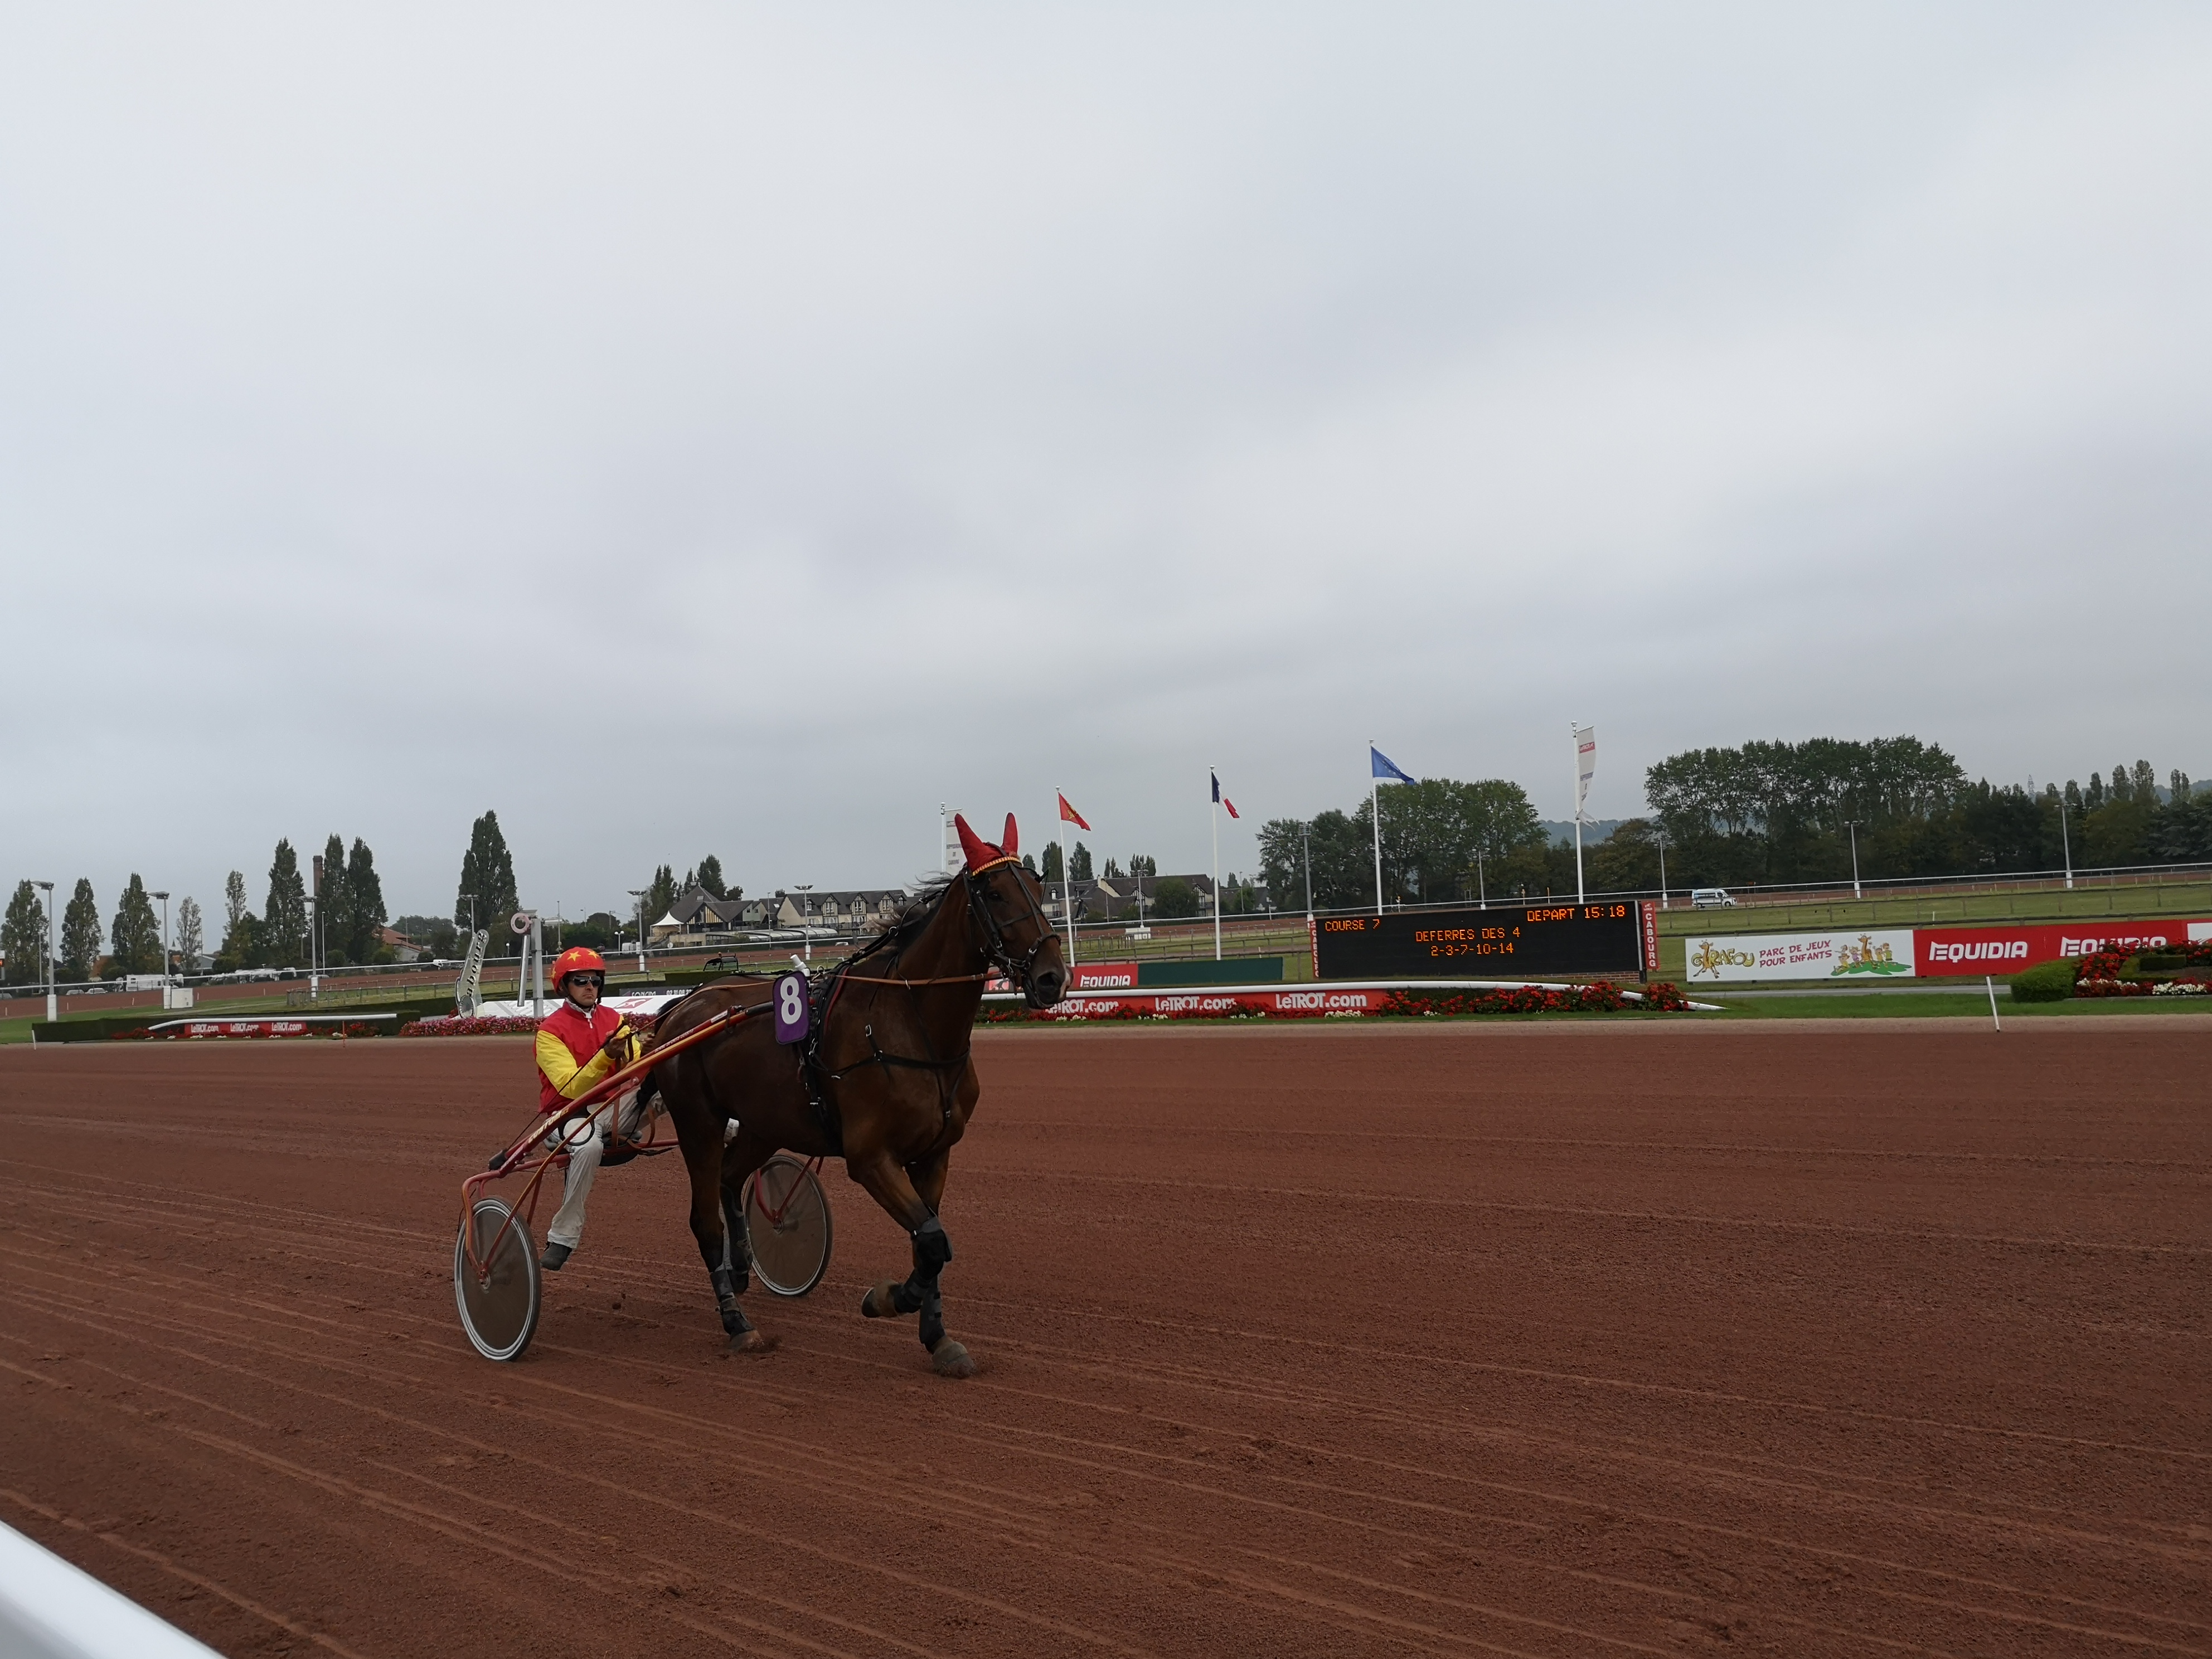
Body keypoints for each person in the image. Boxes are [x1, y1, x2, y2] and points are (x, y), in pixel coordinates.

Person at [533, 946, 649, 1270]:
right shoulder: (549, 1032)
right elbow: (572, 1088)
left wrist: (648, 1053)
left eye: (595, 981)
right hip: (570, 1115)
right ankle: (563, 1236)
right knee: (589, 1147)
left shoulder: (615, 1020)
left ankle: (730, 1128)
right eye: (581, 981)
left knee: (667, 1090)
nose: (590, 987)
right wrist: (606, 1056)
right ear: (564, 986)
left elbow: (636, 1067)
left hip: (614, 1110)